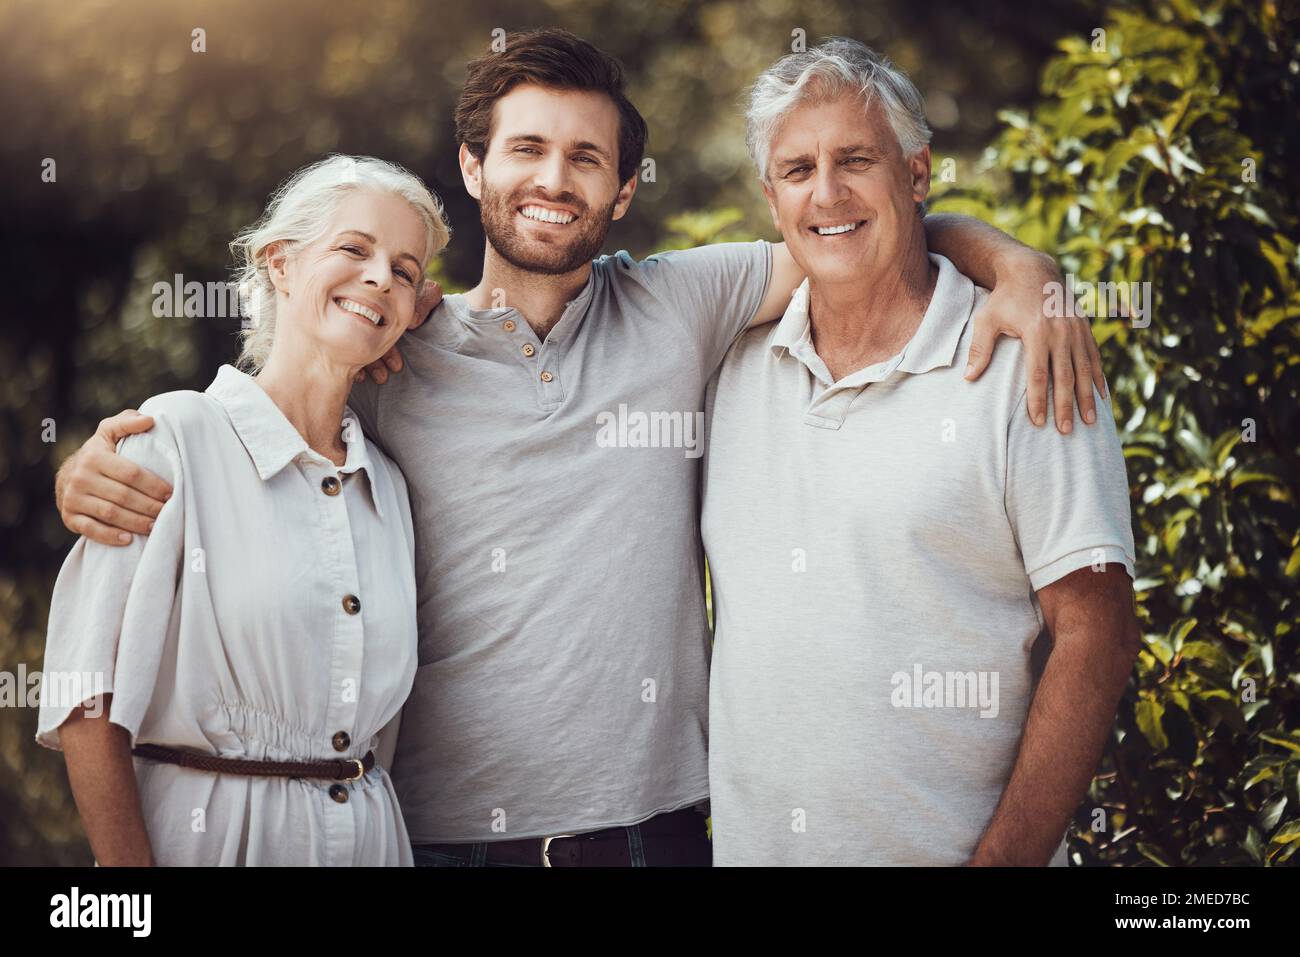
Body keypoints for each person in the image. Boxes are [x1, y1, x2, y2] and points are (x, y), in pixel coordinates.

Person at [54, 30, 1106, 867]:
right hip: (430, 838)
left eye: (586, 157)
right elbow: (262, 421)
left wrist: (1020, 267)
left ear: (623, 189)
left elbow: (849, 231)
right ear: (474, 166)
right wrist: (102, 466)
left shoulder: (685, 303)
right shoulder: (393, 349)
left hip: (654, 837)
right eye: (525, 148)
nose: (553, 178)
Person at [701, 38, 1141, 866]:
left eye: (856, 160)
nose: (826, 193)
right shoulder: (727, 362)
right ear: (771, 199)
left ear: (916, 174)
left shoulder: (1028, 361)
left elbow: (1098, 632)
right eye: (798, 170)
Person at [37, 155, 449, 866]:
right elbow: (85, 701)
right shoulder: (172, 439)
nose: (382, 276)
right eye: (353, 249)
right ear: (280, 264)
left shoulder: (389, 485)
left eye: (405, 270)